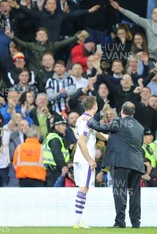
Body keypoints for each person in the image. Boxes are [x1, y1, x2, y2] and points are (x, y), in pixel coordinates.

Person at [87, 101, 144, 229]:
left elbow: (101, 127)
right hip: (137, 165)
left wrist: (89, 119)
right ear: (133, 113)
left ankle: (120, 222)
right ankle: (136, 223)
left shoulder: (118, 122)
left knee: (120, 193)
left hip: (122, 163)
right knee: (134, 194)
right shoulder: (140, 127)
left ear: (122, 111)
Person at [72, 96, 103, 229]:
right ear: (95, 106)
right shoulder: (87, 121)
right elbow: (81, 141)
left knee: (84, 187)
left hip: (80, 158)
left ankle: (78, 220)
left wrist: (113, 136)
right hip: (85, 160)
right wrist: (90, 160)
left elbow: (98, 134)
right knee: (84, 188)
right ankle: (78, 221)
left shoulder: (82, 119)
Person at [42, 115, 71, 186]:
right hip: (54, 171)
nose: (65, 127)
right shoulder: (55, 139)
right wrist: (64, 168)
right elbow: (58, 156)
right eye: (63, 125)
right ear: (56, 126)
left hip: (52, 170)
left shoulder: (55, 137)